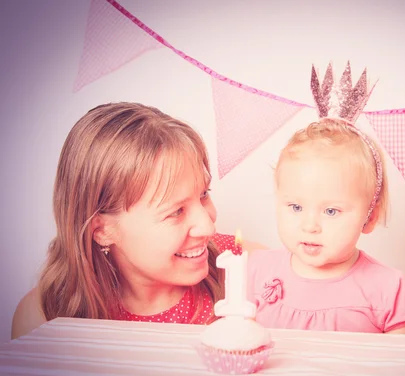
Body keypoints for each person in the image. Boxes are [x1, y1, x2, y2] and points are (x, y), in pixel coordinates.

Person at [11, 102, 261, 339]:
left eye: (204, 194)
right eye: (176, 211)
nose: (208, 226)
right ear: (102, 230)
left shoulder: (255, 272)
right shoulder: (43, 318)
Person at [247, 117, 405, 334]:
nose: (310, 226)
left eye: (331, 211)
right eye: (295, 207)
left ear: (369, 218)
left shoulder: (387, 288)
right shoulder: (256, 271)